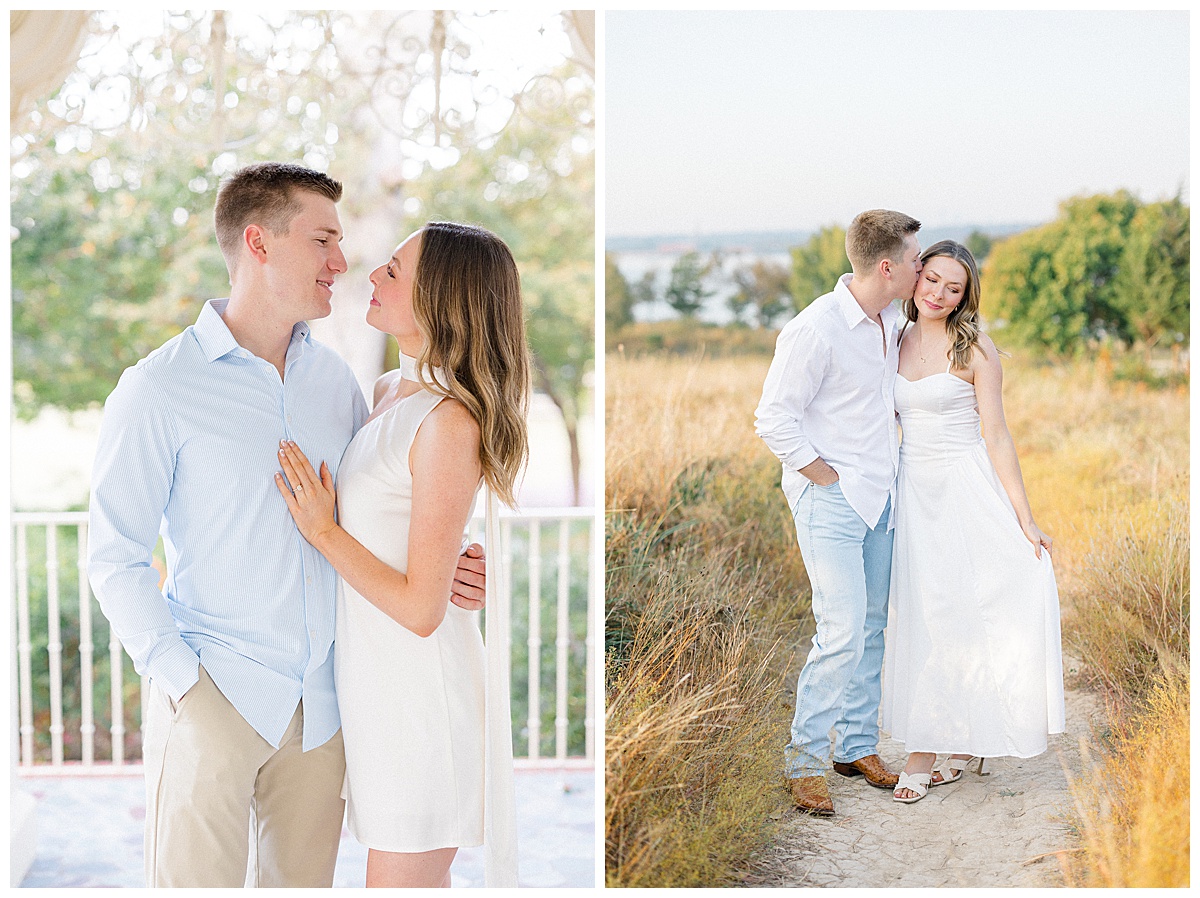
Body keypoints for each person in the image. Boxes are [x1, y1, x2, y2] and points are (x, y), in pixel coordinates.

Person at [87, 162, 486, 887]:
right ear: (260, 243)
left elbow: (383, 509)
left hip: (328, 711)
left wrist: (456, 560)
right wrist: (183, 683)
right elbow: (113, 557)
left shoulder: (337, 383)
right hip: (217, 694)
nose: (341, 263)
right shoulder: (158, 388)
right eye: (323, 240)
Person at [275, 221, 528, 887]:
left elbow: (421, 608)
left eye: (393, 271)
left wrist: (322, 531)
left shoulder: (450, 420)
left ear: (440, 297)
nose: (371, 278)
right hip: (375, 691)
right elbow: (405, 531)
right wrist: (458, 561)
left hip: (420, 699)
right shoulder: (390, 391)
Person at [881, 240, 1065, 803]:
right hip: (913, 492)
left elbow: (997, 434)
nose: (938, 293)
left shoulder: (976, 348)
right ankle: (958, 741)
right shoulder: (890, 338)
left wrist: (1024, 519)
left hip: (964, 489)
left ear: (966, 295)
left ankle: (924, 751)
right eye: (931, 279)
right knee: (922, 613)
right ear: (915, 279)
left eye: (952, 287)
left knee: (963, 611)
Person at [755, 209, 923, 815]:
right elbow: (773, 417)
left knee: (874, 626)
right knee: (842, 630)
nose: (920, 266)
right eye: (913, 258)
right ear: (888, 265)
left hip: (881, 497)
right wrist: (820, 474)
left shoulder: (887, 323)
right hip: (831, 499)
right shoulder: (816, 329)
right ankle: (804, 762)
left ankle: (856, 747)